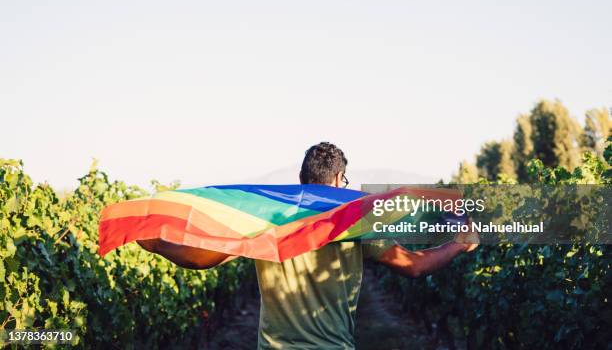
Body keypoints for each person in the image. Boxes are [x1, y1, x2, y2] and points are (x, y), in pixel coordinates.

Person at [137, 142, 479, 349]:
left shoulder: (270, 218)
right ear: (336, 180)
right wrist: (458, 245)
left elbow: (202, 259)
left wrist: (157, 245)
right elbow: (414, 266)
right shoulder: (354, 221)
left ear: (303, 180)